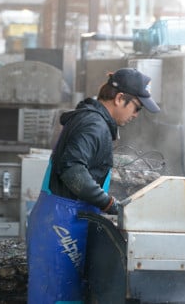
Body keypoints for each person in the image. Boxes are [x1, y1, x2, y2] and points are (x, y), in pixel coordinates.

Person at [26, 68, 160, 304]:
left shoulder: (90, 119)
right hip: (63, 225)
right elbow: (73, 170)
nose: (136, 115)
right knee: (59, 297)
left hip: (60, 218)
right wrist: (108, 203)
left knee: (57, 295)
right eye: (136, 107)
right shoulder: (94, 125)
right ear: (120, 99)